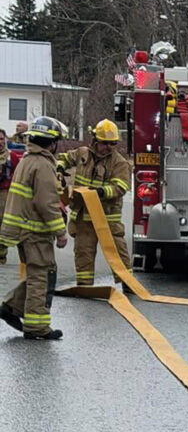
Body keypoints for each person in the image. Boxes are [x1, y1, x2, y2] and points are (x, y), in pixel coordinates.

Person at [0, 117, 69, 339]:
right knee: (42, 274)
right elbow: (47, 203)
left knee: (35, 273)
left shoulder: (27, 160)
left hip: (22, 229)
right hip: (35, 231)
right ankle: (37, 326)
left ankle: (12, 308)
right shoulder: (42, 164)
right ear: (51, 143)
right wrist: (60, 232)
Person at [59, 118, 132, 285]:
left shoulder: (120, 163)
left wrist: (101, 192)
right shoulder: (82, 153)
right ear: (95, 141)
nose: (109, 147)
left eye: (113, 143)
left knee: (119, 255)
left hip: (107, 219)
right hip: (83, 218)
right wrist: (59, 167)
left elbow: (121, 187)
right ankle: (85, 288)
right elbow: (64, 158)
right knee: (83, 255)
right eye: (105, 143)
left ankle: (129, 286)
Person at [0, 130, 9, 264]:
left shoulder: (11, 157)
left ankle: (1, 256)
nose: (0, 142)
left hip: (4, 193)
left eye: (2, 139)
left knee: (2, 223)